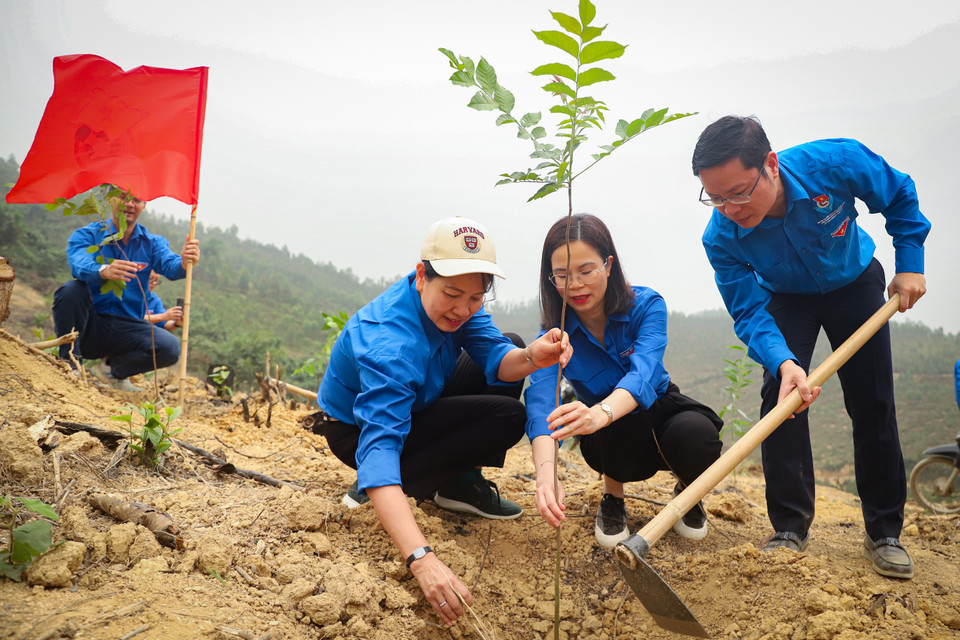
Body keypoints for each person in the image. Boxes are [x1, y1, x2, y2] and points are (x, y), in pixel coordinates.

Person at [692, 115, 931, 579]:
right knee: (780, 402)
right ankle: (788, 528)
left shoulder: (837, 162)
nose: (730, 208)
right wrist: (783, 362)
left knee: (873, 401)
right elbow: (748, 311)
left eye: (740, 192)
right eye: (715, 198)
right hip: (786, 298)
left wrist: (910, 262)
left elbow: (899, 193)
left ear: (771, 165)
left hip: (853, 280)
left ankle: (884, 532)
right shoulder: (720, 236)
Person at [317, 216, 571, 627]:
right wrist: (422, 560)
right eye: (452, 294)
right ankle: (380, 491)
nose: (463, 309)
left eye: (476, 298)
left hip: (419, 398)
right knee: (506, 417)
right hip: (358, 430)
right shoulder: (390, 346)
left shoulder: (459, 305)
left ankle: (455, 484)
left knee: (514, 345)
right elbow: (379, 445)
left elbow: (495, 357)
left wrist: (532, 359)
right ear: (422, 276)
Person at [524, 214, 723, 549]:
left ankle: (688, 493)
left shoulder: (647, 306)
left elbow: (644, 373)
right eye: (562, 275)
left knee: (697, 436)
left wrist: (599, 412)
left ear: (608, 264)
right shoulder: (555, 337)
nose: (575, 285)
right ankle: (612, 498)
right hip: (611, 432)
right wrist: (547, 475)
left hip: (660, 404)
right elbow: (543, 401)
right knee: (613, 427)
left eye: (586, 271)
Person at [53, 185, 200, 391]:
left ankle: (112, 371)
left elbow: (171, 266)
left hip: (127, 328)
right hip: (89, 326)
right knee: (71, 290)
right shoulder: (88, 236)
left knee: (170, 348)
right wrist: (103, 270)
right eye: (123, 197)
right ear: (110, 200)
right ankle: (71, 363)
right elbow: (78, 263)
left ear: (144, 206)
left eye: (137, 200)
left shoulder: (152, 243)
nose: (130, 204)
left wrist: (185, 262)